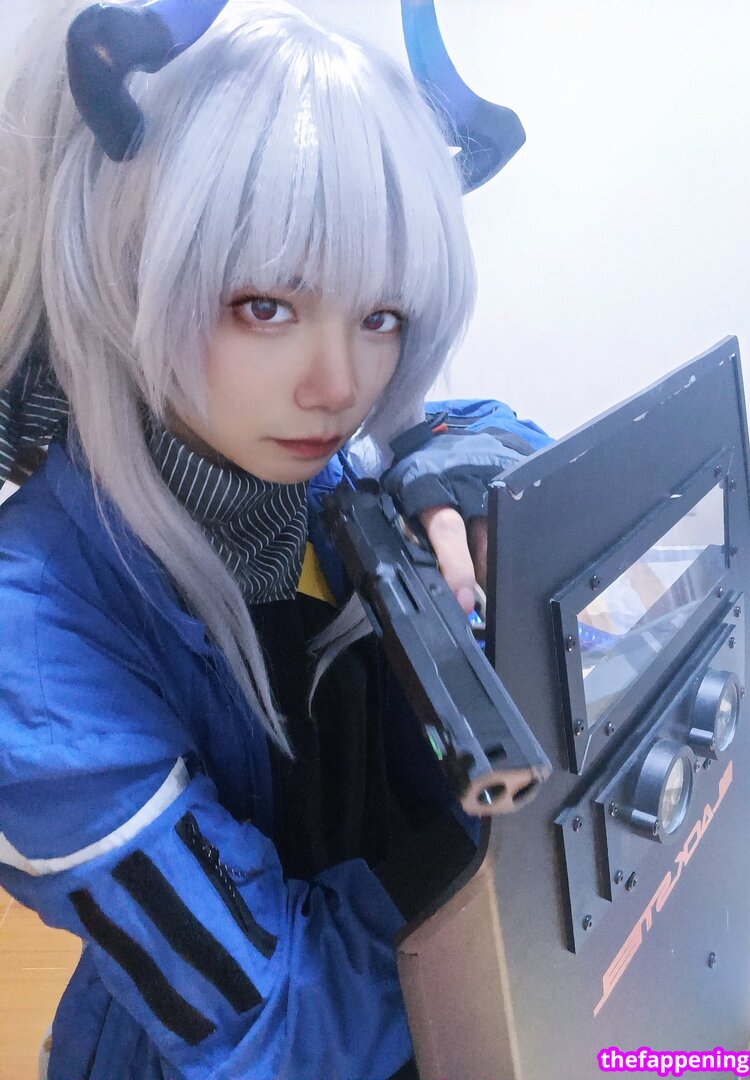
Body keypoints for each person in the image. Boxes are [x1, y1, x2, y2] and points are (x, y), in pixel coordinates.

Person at [0, 2, 552, 1077]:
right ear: (130, 267)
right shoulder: (31, 643)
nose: (340, 387)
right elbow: (281, 1018)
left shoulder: (308, 466)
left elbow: (489, 428)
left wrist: (458, 465)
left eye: (381, 316)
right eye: (264, 305)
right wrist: (510, 875)